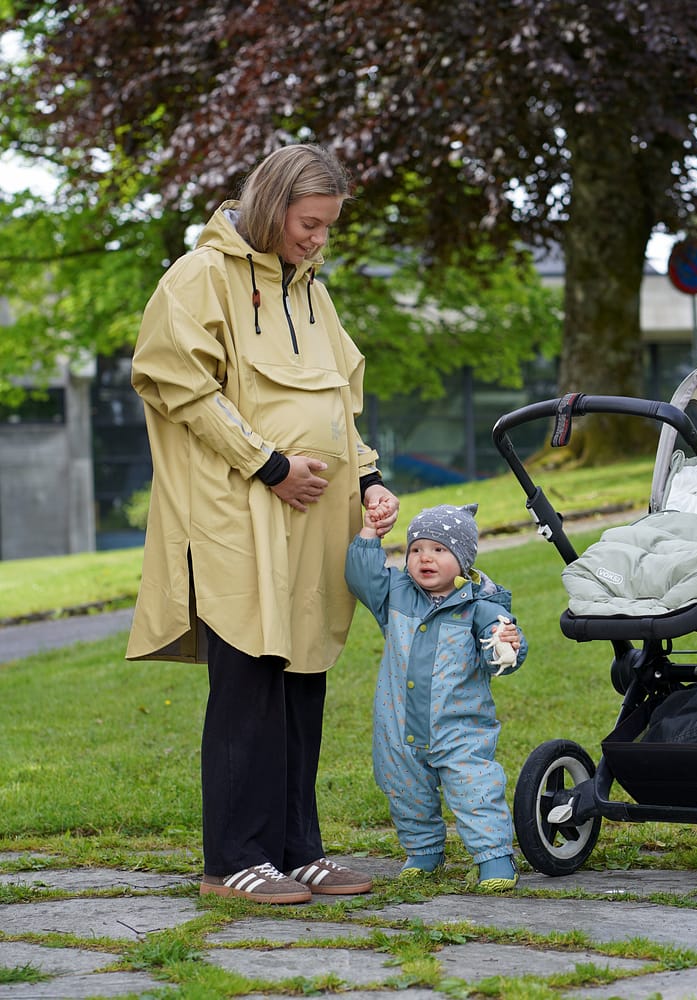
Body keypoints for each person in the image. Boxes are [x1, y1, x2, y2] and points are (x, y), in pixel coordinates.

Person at [125, 143, 399, 904]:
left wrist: (369, 477)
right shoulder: (198, 278)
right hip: (234, 512)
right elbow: (175, 380)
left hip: (311, 520)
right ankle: (232, 860)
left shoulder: (313, 292)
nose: (319, 239)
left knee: (302, 677)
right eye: (310, 224)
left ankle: (295, 848)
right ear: (274, 204)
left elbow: (341, 403)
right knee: (247, 680)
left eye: (328, 227)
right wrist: (269, 463)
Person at [345, 501, 527, 890]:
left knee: (475, 788)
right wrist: (369, 533)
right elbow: (362, 576)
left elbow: (501, 654)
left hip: (458, 727)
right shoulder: (396, 595)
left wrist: (507, 644)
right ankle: (424, 851)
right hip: (398, 724)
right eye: (416, 549)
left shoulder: (479, 608)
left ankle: (494, 857)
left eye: (439, 550)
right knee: (403, 787)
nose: (424, 558)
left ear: (462, 560)